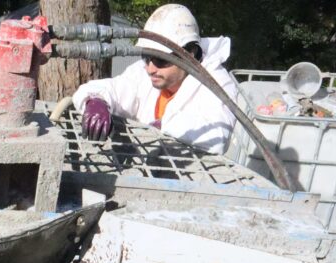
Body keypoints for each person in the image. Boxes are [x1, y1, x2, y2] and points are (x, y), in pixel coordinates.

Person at [71, 4, 239, 154]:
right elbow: (114, 88)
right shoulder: (142, 72)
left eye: (161, 59)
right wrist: (96, 100)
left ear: (190, 53)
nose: (150, 68)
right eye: (147, 57)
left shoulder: (217, 83)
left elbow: (218, 137)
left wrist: (162, 126)